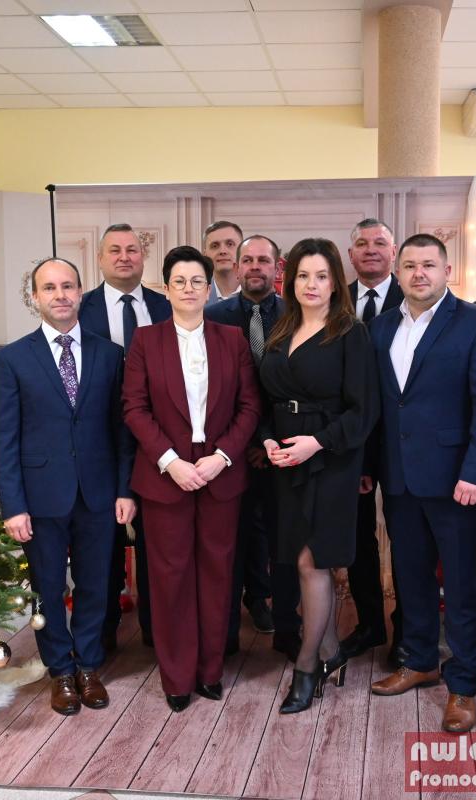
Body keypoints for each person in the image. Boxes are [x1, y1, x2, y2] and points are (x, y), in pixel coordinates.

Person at [368, 233, 476, 734]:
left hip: (457, 482)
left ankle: (464, 684)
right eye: (410, 265)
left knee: (465, 586)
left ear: (447, 271)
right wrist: (369, 466)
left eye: (429, 264)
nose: (419, 273)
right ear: (398, 273)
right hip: (399, 477)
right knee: (411, 578)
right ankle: (421, 659)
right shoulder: (381, 326)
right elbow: (381, 405)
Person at [0, 257, 137, 716]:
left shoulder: (109, 354)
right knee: (48, 588)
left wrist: (125, 490)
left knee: (95, 585)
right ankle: (61, 671)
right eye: (50, 288)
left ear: (80, 291)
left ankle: (89, 666)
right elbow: (3, 439)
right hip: (40, 497)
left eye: (68, 286)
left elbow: (121, 431)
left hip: (99, 494)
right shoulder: (12, 358)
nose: (60, 295)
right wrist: (12, 506)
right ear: (35, 297)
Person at [122, 246, 260, 713]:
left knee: (218, 575)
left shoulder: (231, 339)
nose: (188, 289)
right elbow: (134, 408)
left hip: (220, 473)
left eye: (196, 281)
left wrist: (222, 457)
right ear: (166, 289)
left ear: (208, 287)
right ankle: (177, 676)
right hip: (166, 476)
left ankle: (210, 671)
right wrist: (170, 461)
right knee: (170, 578)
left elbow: (249, 406)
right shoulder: (146, 340)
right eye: (179, 281)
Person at [258, 237, 380, 714]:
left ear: (335, 283)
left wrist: (317, 442)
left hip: (331, 457)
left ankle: (307, 666)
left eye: (322, 276)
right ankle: (331, 653)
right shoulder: (280, 328)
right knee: (299, 560)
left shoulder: (351, 332)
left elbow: (363, 411)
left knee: (314, 561)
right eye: (303, 276)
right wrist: (269, 439)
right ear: (291, 281)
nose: (311, 284)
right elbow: (267, 400)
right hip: (285, 458)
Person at [206, 234, 302, 661]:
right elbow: (211, 390)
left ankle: (286, 628)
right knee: (230, 544)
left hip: (284, 449)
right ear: (237, 266)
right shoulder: (213, 316)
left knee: (284, 545)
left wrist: (269, 440)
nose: (255, 267)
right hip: (228, 450)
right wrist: (242, 441)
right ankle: (225, 634)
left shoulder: (296, 315)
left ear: (278, 268)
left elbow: (298, 385)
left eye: (264, 260)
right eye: (248, 260)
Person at [78, 223, 172, 651]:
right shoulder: (80, 309)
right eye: (114, 250)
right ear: (100, 259)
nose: (124, 257)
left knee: (156, 540)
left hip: (157, 439)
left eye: (132, 249)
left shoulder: (165, 306)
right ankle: (104, 633)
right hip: (99, 440)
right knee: (104, 541)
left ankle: (156, 631)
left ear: (142, 257)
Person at [340, 218, 407, 669]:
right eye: (361, 244)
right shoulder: (333, 299)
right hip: (351, 444)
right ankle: (369, 624)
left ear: (393, 251)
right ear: (350, 255)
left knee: (406, 539)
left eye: (379, 242)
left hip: (402, 441)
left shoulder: (415, 297)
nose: (370, 250)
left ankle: (405, 630)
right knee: (358, 538)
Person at [204, 220, 244, 305]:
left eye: (230, 244)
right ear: (205, 254)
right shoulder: (194, 298)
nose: (222, 251)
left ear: (242, 250)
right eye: (215, 246)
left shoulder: (258, 295)